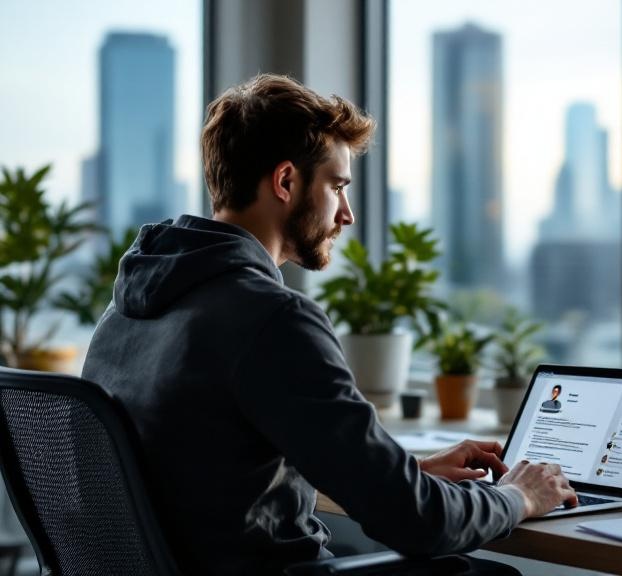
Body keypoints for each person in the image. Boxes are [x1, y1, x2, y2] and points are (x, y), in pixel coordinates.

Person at [82, 74, 577, 576]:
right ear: (286, 182)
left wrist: (405, 473)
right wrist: (520, 495)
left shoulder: (126, 310)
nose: (348, 214)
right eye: (337, 187)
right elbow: (421, 524)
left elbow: (202, 476)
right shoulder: (272, 318)